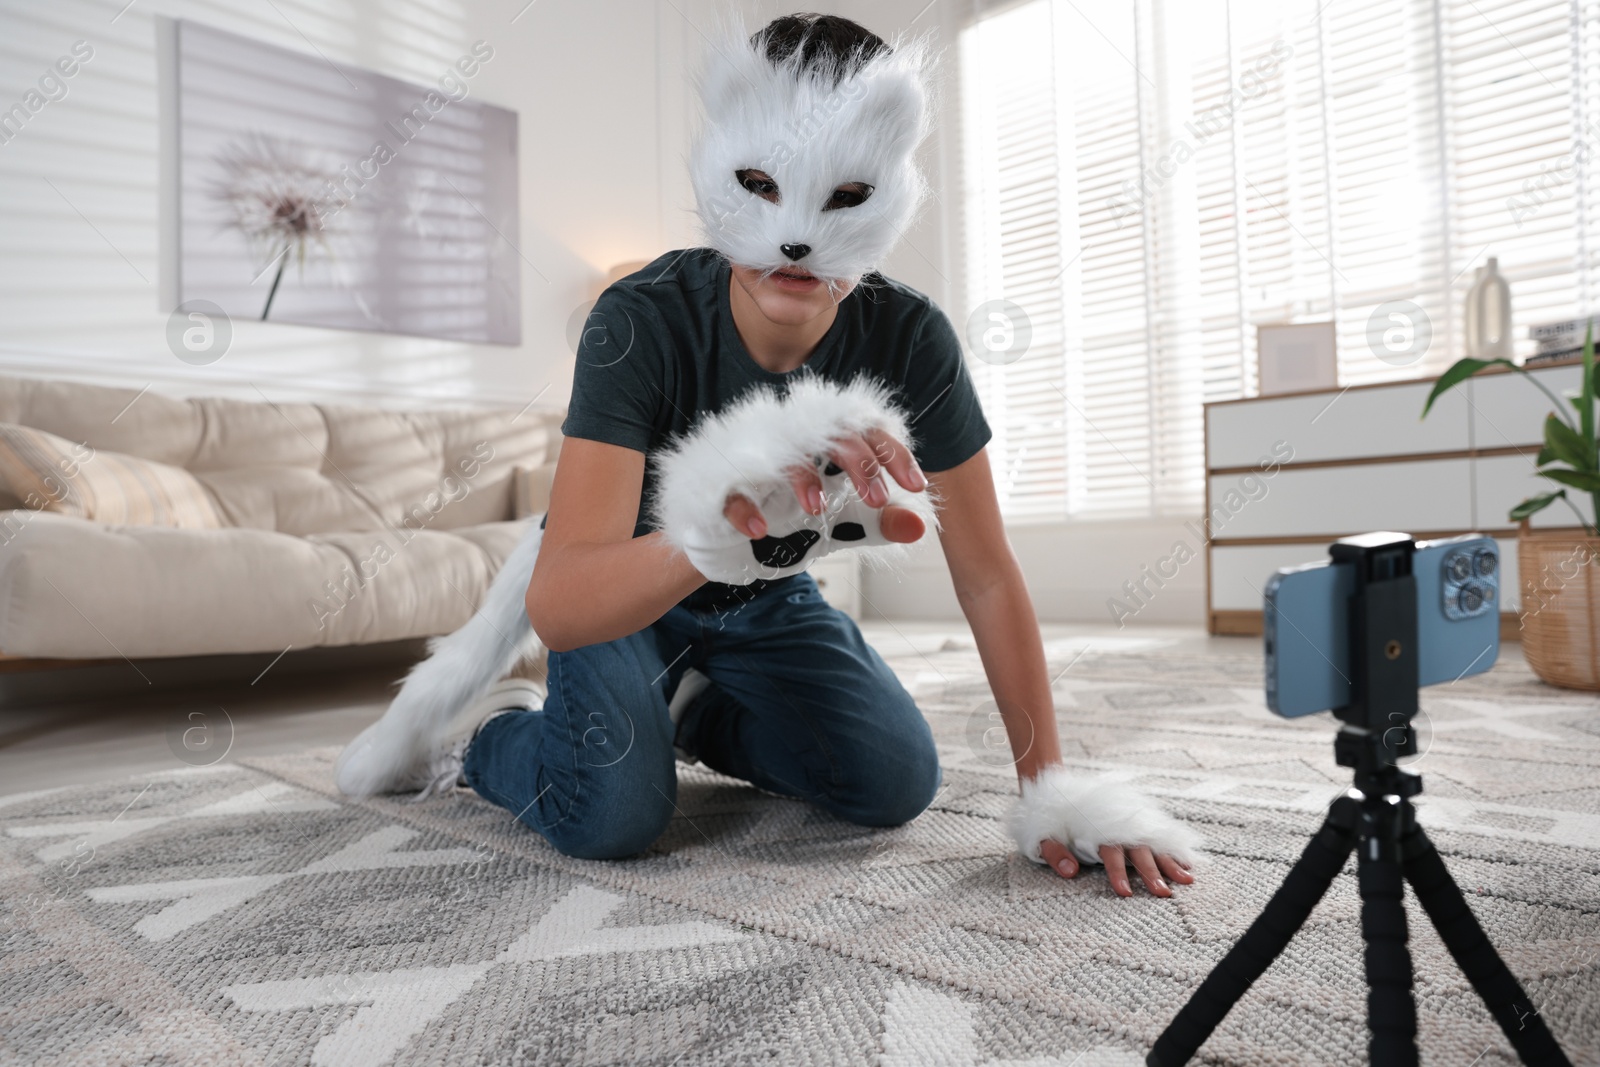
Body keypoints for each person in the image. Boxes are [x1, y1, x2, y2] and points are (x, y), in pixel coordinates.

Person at [341, 12, 1199, 897]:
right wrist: (704, 543)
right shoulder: (639, 318)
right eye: (760, 184)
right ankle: (497, 738)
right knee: (611, 816)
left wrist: (1050, 793)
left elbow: (983, 571)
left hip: (764, 592)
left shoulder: (910, 338)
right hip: (623, 591)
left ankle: (695, 712)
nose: (795, 237)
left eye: (840, 197)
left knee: (893, 782)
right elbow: (559, 605)